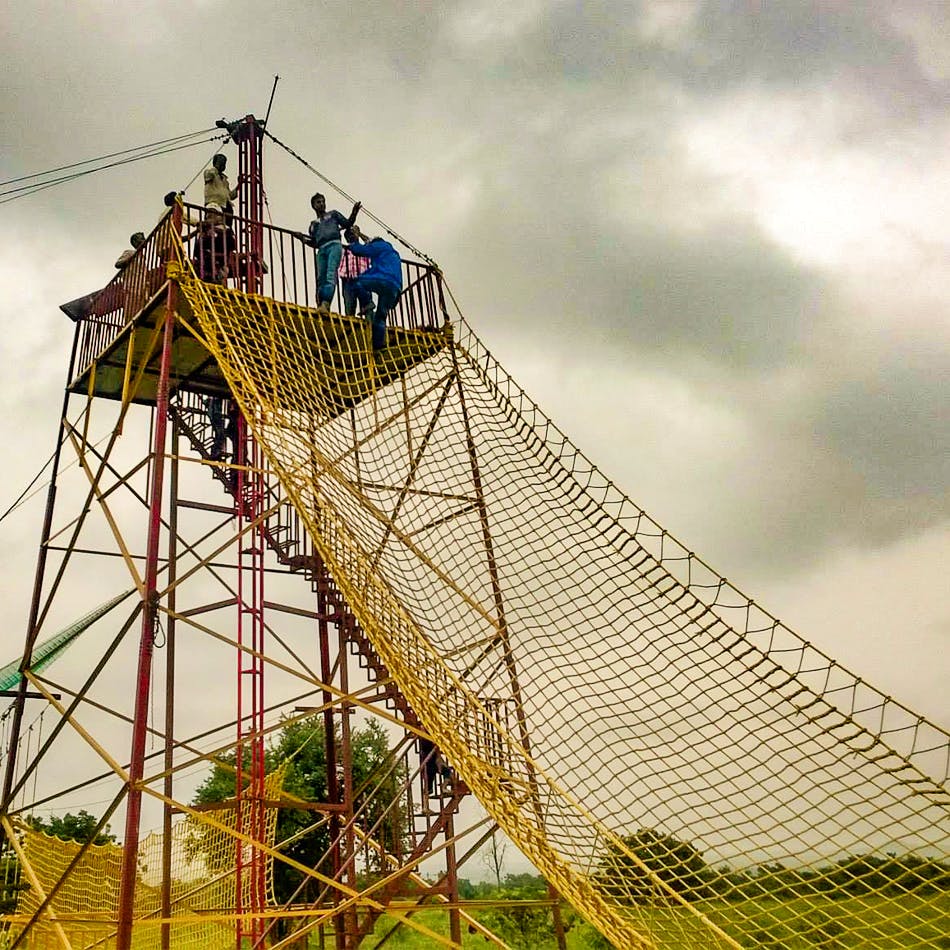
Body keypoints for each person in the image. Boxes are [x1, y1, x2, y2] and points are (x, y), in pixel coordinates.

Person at [296, 193, 361, 315]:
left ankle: (326, 304)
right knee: (321, 278)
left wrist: (354, 212)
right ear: (314, 206)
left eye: (322, 201)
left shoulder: (333, 214)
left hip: (334, 245)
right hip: (322, 249)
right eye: (318, 202)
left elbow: (347, 223)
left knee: (330, 274)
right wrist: (302, 239)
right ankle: (321, 304)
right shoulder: (313, 224)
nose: (321, 204)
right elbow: (314, 242)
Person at [346, 233, 403, 351]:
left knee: (356, 283)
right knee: (381, 317)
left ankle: (367, 303)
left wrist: (353, 243)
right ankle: (378, 346)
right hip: (395, 287)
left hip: (382, 278)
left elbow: (360, 250)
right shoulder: (394, 253)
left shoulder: (379, 246)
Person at [191, 207, 236, 285]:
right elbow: (197, 249)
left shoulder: (226, 229)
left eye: (212, 213)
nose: (209, 215)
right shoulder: (204, 230)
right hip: (206, 261)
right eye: (208, 213)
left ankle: (215, 278)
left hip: (220, 261)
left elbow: (232, 244)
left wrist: (215, 234)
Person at [339, 226, 372, 316]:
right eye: (349, 236)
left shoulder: (364, 248)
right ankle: (350, 327)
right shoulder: (344, 250)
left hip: (363, 279)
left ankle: (370, 326)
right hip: (347, 280)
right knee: (349, 308)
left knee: (367, 306)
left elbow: (370, 242)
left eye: (352, 234)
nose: (351, 237)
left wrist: (359, 233)